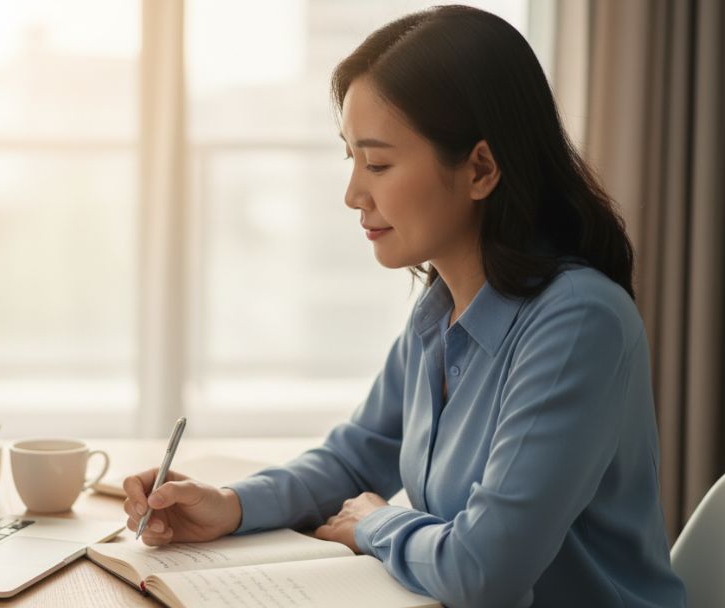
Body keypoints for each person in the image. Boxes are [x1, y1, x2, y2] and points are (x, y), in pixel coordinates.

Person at [121, 5, 686, 607]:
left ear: (481, 168)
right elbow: (355, 456)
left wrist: (374, 524)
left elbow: (485, 571)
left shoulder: (578, 321)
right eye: (352, 159)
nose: (353, 194)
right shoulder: (440, 310)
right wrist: (229, 506)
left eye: (380, 163)